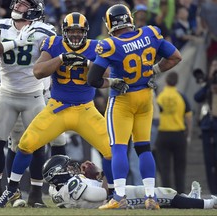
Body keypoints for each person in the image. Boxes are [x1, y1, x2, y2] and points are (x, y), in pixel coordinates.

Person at [0, 11, 114, 208]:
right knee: (26, 144)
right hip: (57, 108)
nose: (75, 35)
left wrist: (88, 63)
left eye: (79, 32)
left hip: (85, 109)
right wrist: (62, 58)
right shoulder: (54, 44)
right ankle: (11, 189)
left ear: (86, 32)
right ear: (64, 32)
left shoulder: (95, 47)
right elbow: (38, 71)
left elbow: (109, 74)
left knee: (111, 149)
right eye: (72, 32)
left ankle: (114, 195)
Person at [87, 4, 182, 210]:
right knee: (143, 147)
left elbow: (92, 79)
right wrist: (154, 70)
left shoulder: (110, 44)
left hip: (122, 98)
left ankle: (119, 196)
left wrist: (112, 82)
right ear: (129, 19)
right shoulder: (150, 33)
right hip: (146, 97)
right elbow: (175, 57)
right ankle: (151, 197)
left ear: (111, 23)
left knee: (119, 147)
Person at [0, 0, 58, 208]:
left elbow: (51, 63)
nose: (18, 5)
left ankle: (36, 193)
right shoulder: (0, 27)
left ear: (34, 8)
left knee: (37, 144)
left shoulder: (45, 31)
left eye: (24, 3)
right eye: (18, 2)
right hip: (7, 93)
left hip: (34, 95)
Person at [43, 155, 217, 210]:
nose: (72, 169)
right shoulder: (74, 187)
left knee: (165, 194)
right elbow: (105, 194)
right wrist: (103, 173)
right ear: (58, 173)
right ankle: (210, 203)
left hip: (107, 200)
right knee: (165, 195)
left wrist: (91, 177)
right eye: (67, 168)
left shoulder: (55, 189)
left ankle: (191, 199)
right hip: (114, 201)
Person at [155, 72, 192, 194]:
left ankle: (167, 194)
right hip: (178, 135)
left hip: (163, 134)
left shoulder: (159, 97)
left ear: (166, 81)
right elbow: (188, 117)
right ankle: (180, 193)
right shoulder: (181, 96)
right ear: (176, 82)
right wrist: (189, 133)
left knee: (164, 168)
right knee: (179, 167)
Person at [194, 57, 217, 195]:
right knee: (209, 163)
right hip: (208, 127)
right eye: (213, 65)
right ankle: (214, 193)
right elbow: (197, 97)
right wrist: (209, 83)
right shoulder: (207, 84)